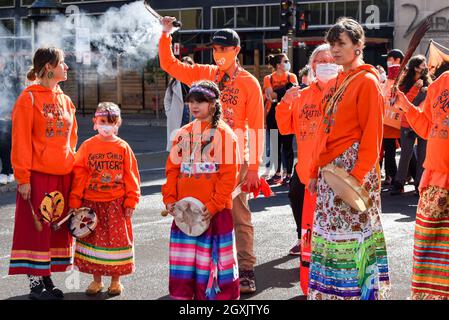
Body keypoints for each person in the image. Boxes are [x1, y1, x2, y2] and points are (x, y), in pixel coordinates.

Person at [158, 17, 264, 294]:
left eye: (224, 49)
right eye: (215, 49)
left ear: (236, 51)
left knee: (237, 215)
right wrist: (166, 34)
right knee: (200, 212)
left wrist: (253, 167)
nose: (218, 55)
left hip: (233, 160)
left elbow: (257, 127)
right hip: (198, 160)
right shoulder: (203, 74)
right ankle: (202, 273)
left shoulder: (249, 83)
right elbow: (169, 64)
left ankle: (246, 270)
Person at [307, 18, 390, 300]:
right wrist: (313, 171)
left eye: (341, 43)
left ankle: (354, 295)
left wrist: (356, 179)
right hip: (330, 170)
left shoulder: (367, 81)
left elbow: (372, 136)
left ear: (358, 45)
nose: (335, 49)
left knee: (352, 238)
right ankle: (332, 295)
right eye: (332, 44)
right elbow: (323, 132)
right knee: (330, 238)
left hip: (353, 171)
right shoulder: (338, 81)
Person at [9, 47, 78, 300]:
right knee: (36, 230)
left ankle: (46, 275)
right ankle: (35, 283)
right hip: (37, 177)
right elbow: (21, 142)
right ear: (49, 67)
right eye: (63, 63)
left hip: (63, 176)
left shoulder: (66, 101)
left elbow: (72, 141)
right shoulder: (28, 99)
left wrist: (74, 171)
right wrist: (23, 178)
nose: (67, 67)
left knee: (54, 229)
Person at [162, 80, 240, 300]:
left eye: (200, 101)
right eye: (191, 102)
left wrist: (213, 205)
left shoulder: (225, 135)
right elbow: (172, 170)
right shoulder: (183, 133)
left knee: (214, 272)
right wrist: (169, 198)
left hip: (213, 214)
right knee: (185, 268)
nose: (194, 106)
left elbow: (228, 176)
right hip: (185, 213)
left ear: (213, 104)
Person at [69, 102, 140, 296]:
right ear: (95, 123)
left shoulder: (123, 147)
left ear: (117, 123)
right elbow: (79, 175)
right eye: (102, 121)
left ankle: (115, 281)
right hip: (91, 205)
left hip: (116, 204)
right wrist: (75, 201)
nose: (106, 125)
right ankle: (96, 280)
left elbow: (131, 176)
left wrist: (131, 201)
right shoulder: (87, 146)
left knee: (116, 243)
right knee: (94, 244)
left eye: (110, 122)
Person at [276, 44, 337, 256]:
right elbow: (284, 127)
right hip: (305, 168)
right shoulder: (301, 96)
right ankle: (304, 240)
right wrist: (285, 102)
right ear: (312, 65)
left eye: (331, 61)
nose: (326, 65)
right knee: (296, 198)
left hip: (335, 168)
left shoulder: (345, 91)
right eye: (321, 61)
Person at [396, 70, 449, 300]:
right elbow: (428, 127)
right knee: (429, 250)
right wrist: (406, 106)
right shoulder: (441, 82)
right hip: (435, 178)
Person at [391, 55, 431, 196]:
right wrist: (415, 87)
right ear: (415, 67)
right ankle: (399, 183)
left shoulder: (429, 83)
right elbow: (403, 102)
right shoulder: (406, 84)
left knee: (423, 156)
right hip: (407, 123)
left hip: (424, 123)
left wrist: (427, 90)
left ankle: (420, 185)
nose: (425, 66)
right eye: (422, 64)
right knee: (405, 155)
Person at [263, 53, 298, 185]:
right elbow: (270, 96)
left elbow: (295, 92)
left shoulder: (292, 76)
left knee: (287, 145)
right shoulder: (268, 78)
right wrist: (285, 89)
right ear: (278, 65)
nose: (288, 62)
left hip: (288, 111)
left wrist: (278, 93)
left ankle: (288, 174)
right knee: (275, 145)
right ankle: (277, 173)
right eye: (285, 61)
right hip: (272, 112)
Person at [380, 49, 404, 187]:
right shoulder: (388, 78)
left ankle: (408, 175)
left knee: (408, 151)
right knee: (389, 150)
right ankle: (392, 176)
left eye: (390, 59)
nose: (388, 61)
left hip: (402, 119)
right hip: (389, 120)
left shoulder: (405, 75)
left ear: (398, 60)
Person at [164, 56, 195, 151]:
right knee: (178, 140)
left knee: (192, 139)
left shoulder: (196, 81)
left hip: (193, 111)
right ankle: (179, 163)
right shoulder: (174, 81)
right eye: (183, 66)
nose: (185, 69)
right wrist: (169, 113)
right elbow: (167, 99)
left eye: (188, 67)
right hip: (177, 112)